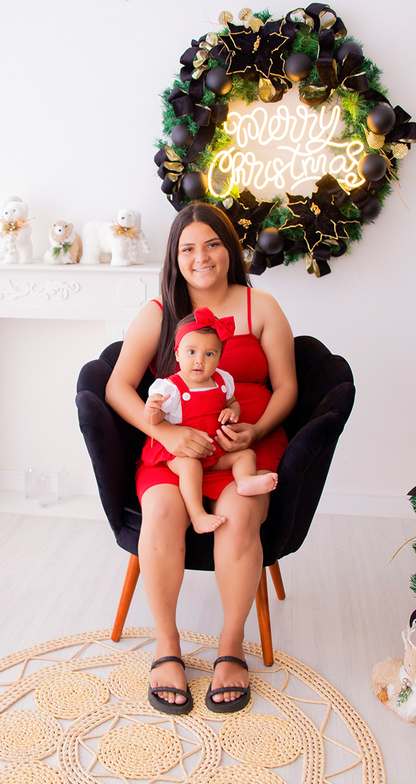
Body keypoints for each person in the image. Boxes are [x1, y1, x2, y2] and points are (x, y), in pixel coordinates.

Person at [105, 202, 296, 715]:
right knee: (163, 511)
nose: (201, 257)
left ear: (229, 249)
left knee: (237, 518)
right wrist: (165, 435)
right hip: (177, 453)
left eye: (212, 243)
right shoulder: (159, 313)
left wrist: (254, 429)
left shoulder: (262, 307)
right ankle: (167, 647)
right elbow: (117, 387)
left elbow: (288, 388)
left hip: (244, 449)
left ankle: (231, 646)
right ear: (174, 256)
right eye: (187, 248)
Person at [142, 308, 278, 535]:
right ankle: (197, 515)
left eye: (209, 354)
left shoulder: (222, 380)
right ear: (177, 354)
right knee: (190, 466)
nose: (199, 361)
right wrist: (152, 410)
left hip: (213, 451)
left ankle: (244, 480)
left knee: (246, 455)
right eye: (191, 352)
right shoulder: (170, 388)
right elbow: (154, 421)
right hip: (179, 454)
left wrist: (232, 411)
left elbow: (232, 402)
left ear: (219, 356)